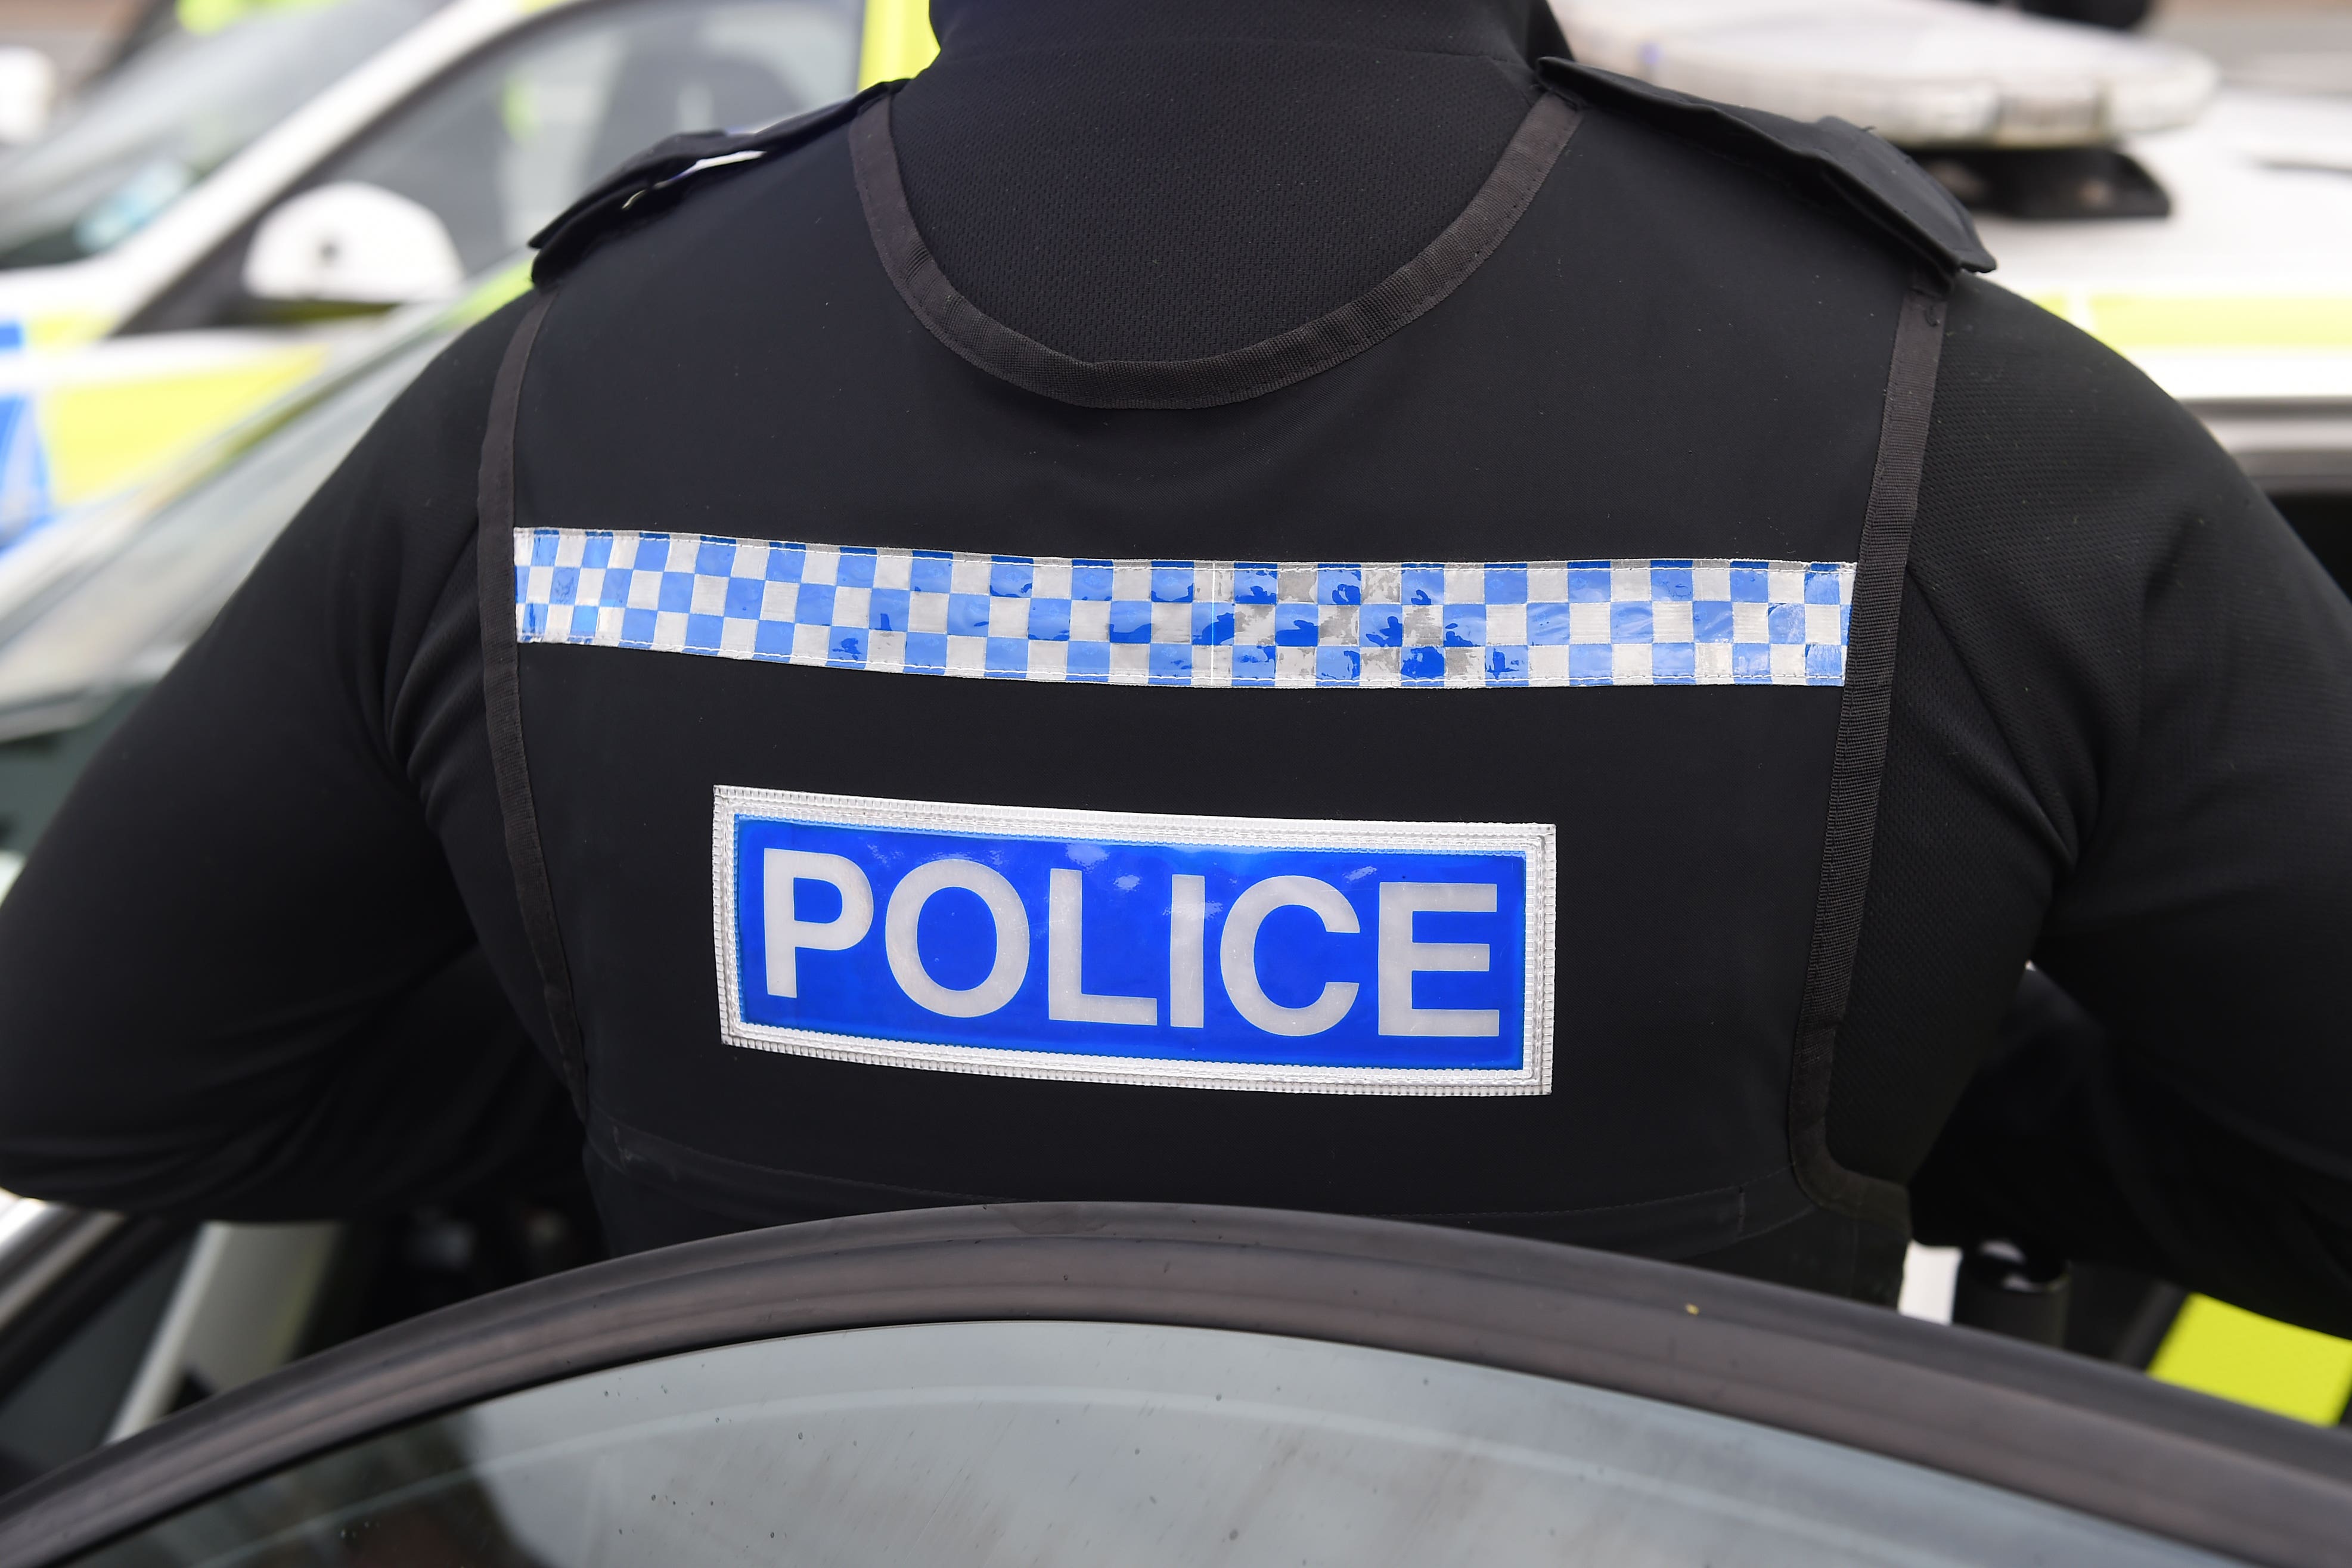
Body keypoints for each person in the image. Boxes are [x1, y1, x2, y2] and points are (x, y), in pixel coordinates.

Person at [0, 0, 2345, 1327]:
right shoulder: (1965, 430)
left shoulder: (547, 401)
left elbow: (95, 1085)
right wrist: (1880, 1104)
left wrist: (685, 1055)